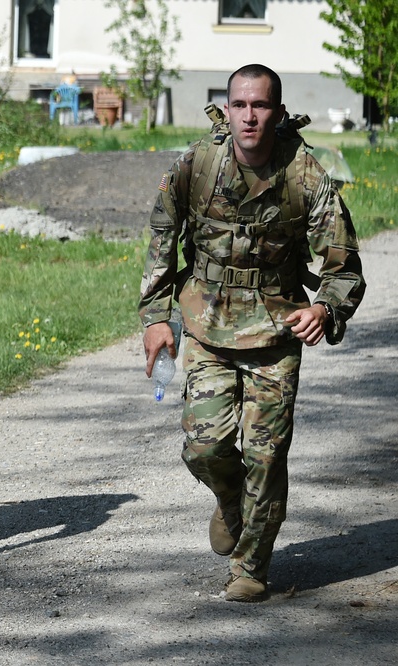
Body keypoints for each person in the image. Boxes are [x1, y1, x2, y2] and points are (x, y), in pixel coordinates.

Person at [138, 64, 366, 602]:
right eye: (239, 104)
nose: (249, 116)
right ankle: (232, 502)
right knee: (204, 447)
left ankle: (251, 567)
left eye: (260, 106)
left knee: (266, 454)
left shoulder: (305, 175)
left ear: (277, 112)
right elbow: (161, 237)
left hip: (275, 332)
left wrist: (327, 310)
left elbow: (343, 263)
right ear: (226, 108)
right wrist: (154, 319)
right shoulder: (196, 164)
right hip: (208, 326)